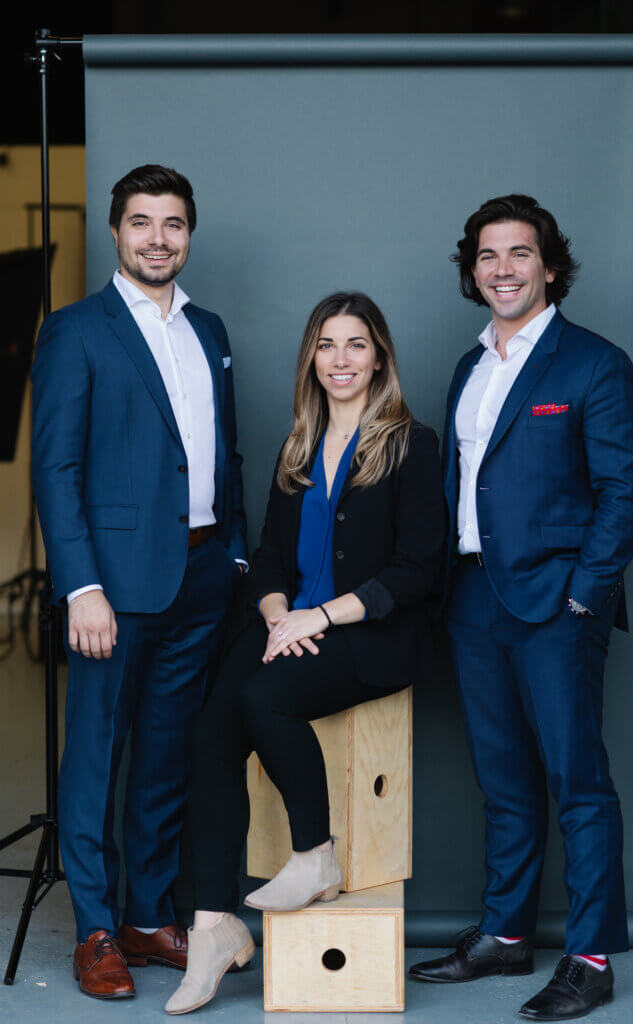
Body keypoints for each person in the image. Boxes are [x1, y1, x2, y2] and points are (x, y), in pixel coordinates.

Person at [164, 291, 446, 1015]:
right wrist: (280, 614)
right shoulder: (298, 444)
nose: (340, 359)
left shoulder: (413, 443)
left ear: (379, 355)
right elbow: (263, 561)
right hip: (291, 622)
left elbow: (418, 569)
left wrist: (318, 615)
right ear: (310, 358)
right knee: (210, 732)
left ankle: (313, 854)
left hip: (371, 635)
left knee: (264, 699)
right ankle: (213, 930)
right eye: (326, 345)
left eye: (355, 344)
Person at [409, 195, 633, 1021]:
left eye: (519, 254)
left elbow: (625, 492)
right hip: (473, 599)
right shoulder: (467, 368)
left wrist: (585, 592)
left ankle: (587, 956)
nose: (502, 269)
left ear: (549, 265)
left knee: (577, 781)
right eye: (486, 256)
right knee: (503, 779)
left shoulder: (593, 363)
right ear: (471, 271)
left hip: (557, 604)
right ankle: (506, 936)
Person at [31, 165, 248, 999]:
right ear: (116, 233)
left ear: (190, 233)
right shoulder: (76, 330)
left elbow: (222, 453)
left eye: (173, 224)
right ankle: (94, 927)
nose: (158, 238)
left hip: (200, 577)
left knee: (166, 757)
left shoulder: (212, 329)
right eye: (141, 223)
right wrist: (80, 584)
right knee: (96, 754)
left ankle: (146, 914)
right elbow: (57, 465)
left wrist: (231, 557)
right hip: (112, 587)